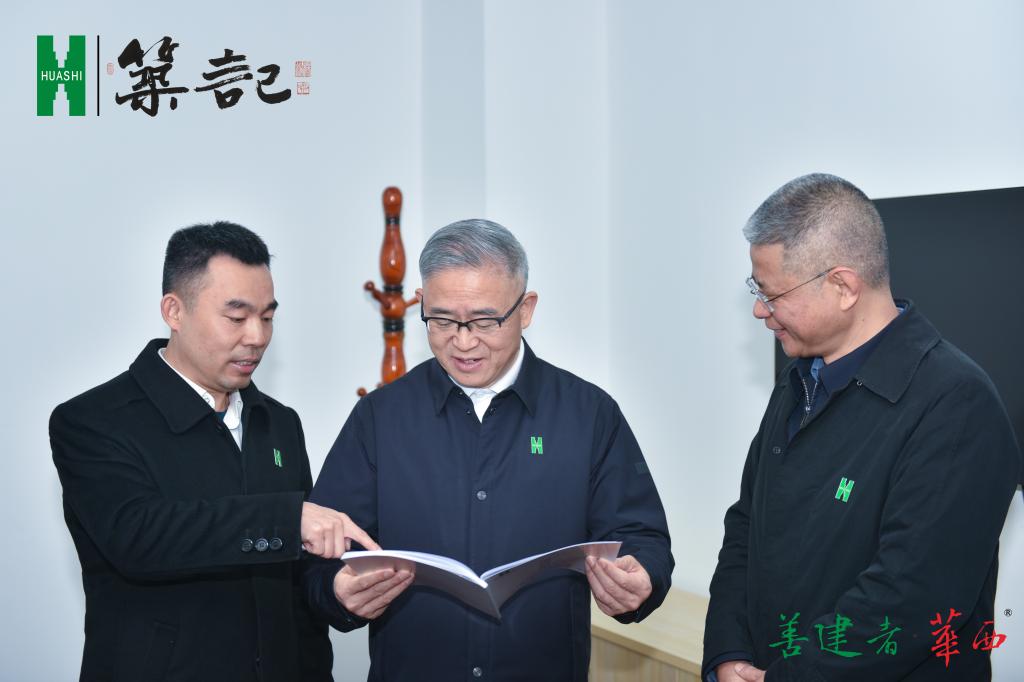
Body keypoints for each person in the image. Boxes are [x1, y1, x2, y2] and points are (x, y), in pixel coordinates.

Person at [305, 219, 674, 681]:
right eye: (442, 321)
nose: (463, 341)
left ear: (526, 309)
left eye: (484, 321)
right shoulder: (380, 417)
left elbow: (642, 537)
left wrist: (641, 581)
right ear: (422, 304)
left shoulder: (588, 413)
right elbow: (320, 557)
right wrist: (337, 594)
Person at [702, 174, 1021, 682]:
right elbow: (746, 528)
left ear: (843, 287)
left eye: (772, 294)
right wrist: (727, 653)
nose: (760, 310)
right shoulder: (799, 382)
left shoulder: (957, 406)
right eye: (756, 290)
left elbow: (909, 600)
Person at [50, 222, 377, 682]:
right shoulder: (93, 420)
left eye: (267, 317)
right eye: (236, 317)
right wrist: (287, 519)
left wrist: (338, 594)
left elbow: (297, 575)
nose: (257, 336)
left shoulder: (279, 422)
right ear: (174, 311)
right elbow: (137, 537)